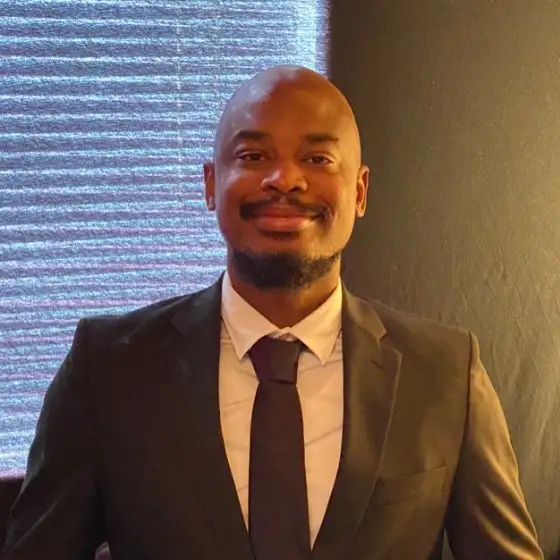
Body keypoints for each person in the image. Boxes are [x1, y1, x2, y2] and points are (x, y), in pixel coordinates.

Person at [2, 65, 543, 560]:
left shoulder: (445, 372)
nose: (285, 179)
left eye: (317, 159)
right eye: (253, 156)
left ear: (359, 192)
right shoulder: (109, 368)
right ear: (210, 185)